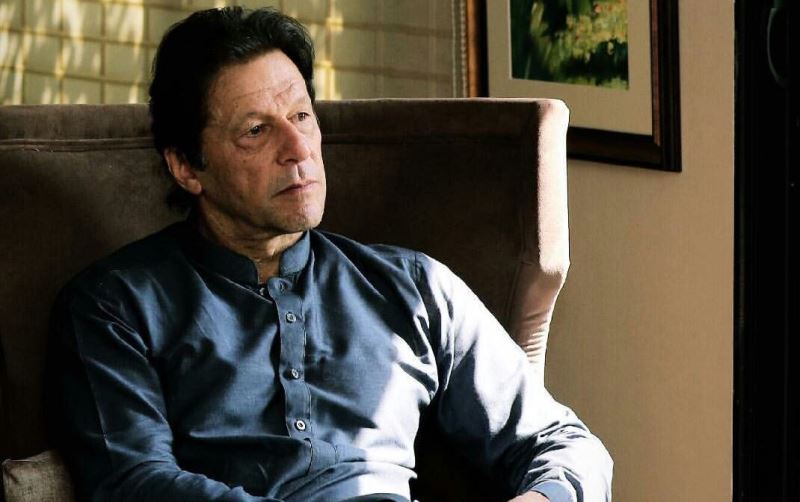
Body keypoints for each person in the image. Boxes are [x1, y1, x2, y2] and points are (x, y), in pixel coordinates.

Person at [47, 6, 612, 502]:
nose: (298, 150)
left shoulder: (414, 288)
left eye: (301, 116)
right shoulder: (115, 306)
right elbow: (133, 482)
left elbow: (566, 446)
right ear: (186, 167)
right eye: (256, 131)